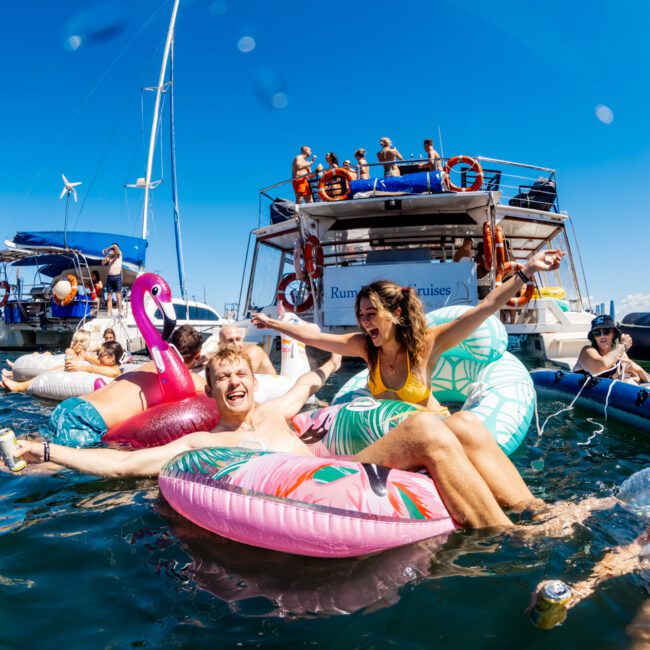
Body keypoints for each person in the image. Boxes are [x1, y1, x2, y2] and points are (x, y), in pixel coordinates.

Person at [6, 348, 563, 529]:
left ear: (251, 380)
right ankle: (509, 540)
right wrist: (45, 449)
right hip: (330, 486)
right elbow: (126, 467)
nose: (234, 383)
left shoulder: (274, 411)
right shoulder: (204, 441)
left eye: (241, 375)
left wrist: (331, 358)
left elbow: (306, 384)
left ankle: (538, 512)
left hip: (350, 466)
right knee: (423, 426)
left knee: (463, 423)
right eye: (223, 379)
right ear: (212, 388)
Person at [253, 250, 567, 519]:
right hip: (403, 439)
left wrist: (528, 270)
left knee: (467, 422)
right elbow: (317, 338)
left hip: (436, 434)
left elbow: (483, 309)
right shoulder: (366, 348)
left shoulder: (425, 344)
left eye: (372, 313)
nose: (365, 321)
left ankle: (534, 510)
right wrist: (273, 324)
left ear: (396, 312)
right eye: (361, 314)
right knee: (436, 426)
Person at [30, 326, 203, 448]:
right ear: (197, 356)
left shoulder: (147, 365)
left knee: (30, 446)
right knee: (45, 466)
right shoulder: (185, 378)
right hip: (88, 421)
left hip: (71, 406)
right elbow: (214, 392)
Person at [2, 339, 123, 395]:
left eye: (100, 354)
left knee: (64, 369)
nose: (98, 357)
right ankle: (18, 382)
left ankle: (19, 387)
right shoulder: (107, 366)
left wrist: (83, 368)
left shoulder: (115, 372)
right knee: (64, 367)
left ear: (112, 357)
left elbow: (114, 374)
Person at [574, 315, 650, 384]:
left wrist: (638, 370)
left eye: (606, 331)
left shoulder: (620, 354)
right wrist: (623, 345)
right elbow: (600, 366)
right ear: (594, 337)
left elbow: (646, 378)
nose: (602, 336)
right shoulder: (587, 351)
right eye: (597, 333)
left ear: (613, 334)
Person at [102, 243, 123, 317]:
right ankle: (109, 313)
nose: (113, 250)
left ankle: (120, 311)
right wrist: (108, 255)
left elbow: (115, 246)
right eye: (112, 249)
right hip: (110, 277)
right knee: (109, 296)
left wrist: (106, 249)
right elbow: (103, 262)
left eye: (114, 249)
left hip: (117, 277)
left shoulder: (119, 254)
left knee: (118, 295)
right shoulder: (110, 257)